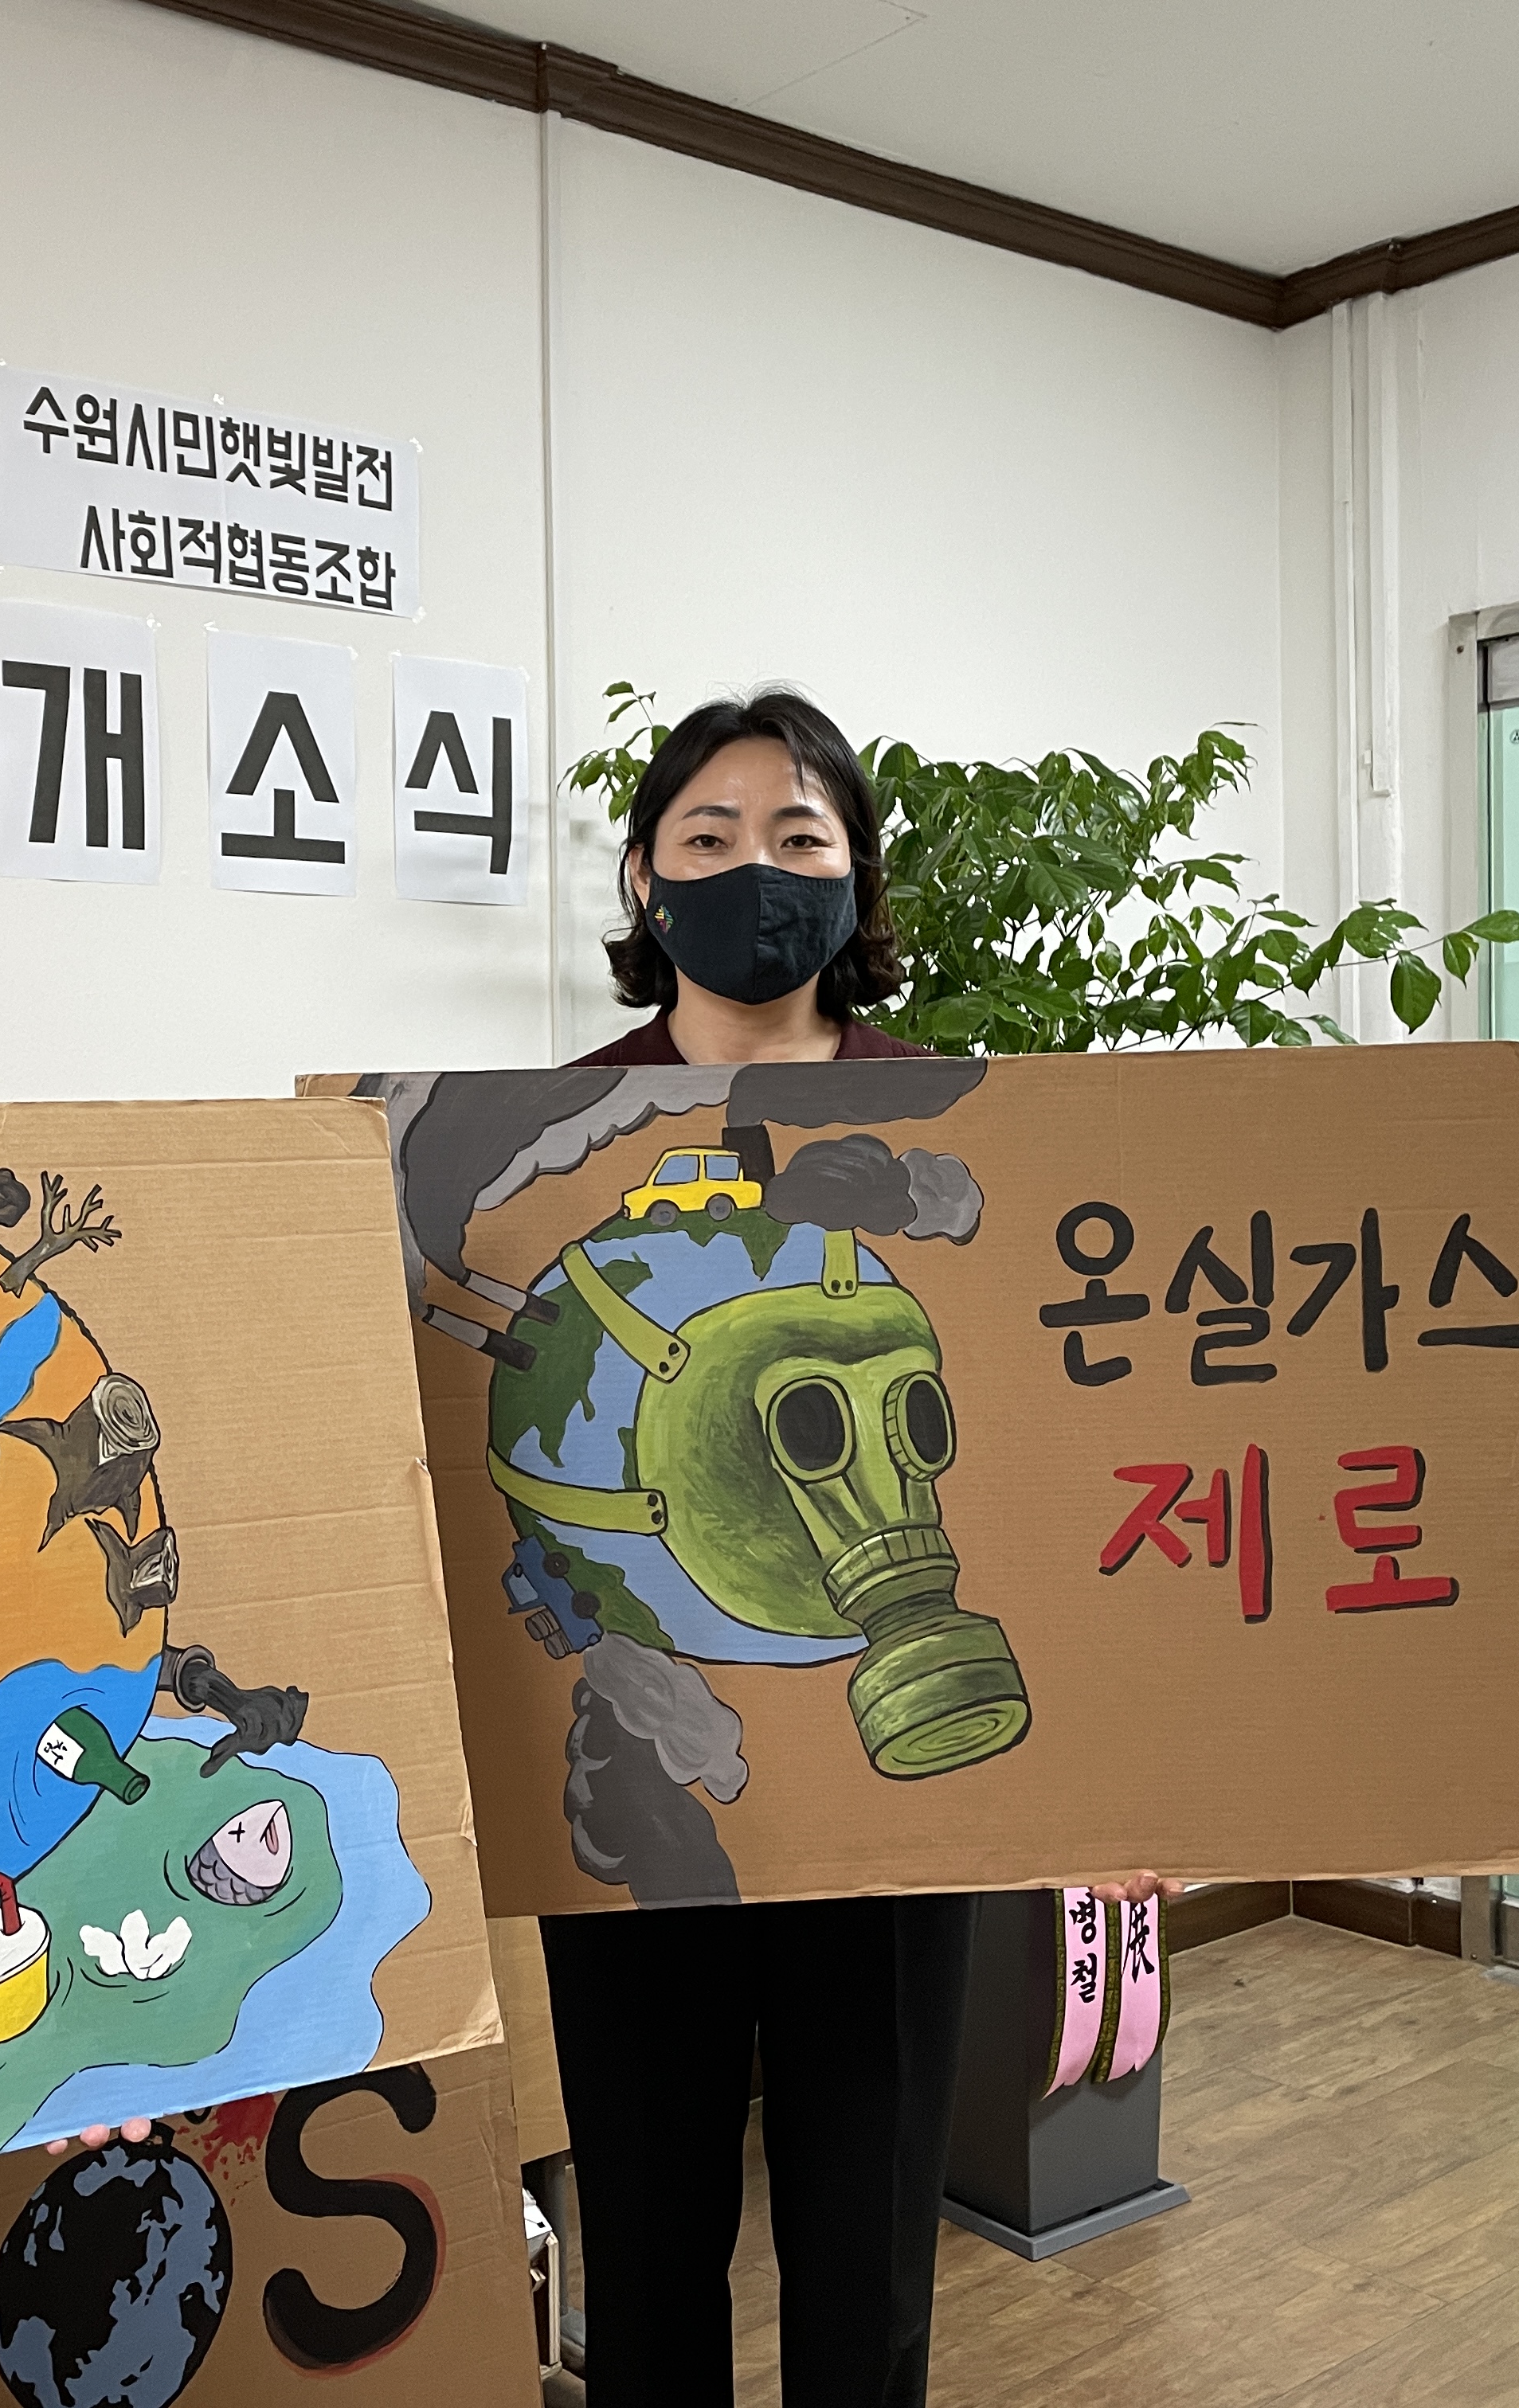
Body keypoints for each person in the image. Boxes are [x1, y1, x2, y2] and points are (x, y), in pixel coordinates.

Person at [542, 686, 1176, 2408]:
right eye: (710, 836)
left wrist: (1124, 1780)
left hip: (901, 1798)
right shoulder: (544, 1137)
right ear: (643, 876)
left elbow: (1068, 1461)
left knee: (868, 2249)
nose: (756, 870)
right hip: (637, 1766)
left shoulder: (965, 1127)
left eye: (799, 837)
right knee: (649, 2244)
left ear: (857, 880)